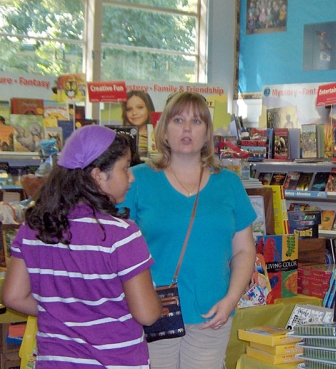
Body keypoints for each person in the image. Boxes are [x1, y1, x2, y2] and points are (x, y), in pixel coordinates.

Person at [1, 125, 161, 367]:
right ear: (97, 174)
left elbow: (13, 296)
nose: (131, 177)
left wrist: (64, 311)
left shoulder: (33, 228)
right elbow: (147, 314)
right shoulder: (122, 235)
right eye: (125, 168)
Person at [119, 91, 257, 369]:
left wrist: (231, 299)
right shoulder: (136, 180)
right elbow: (118, 249)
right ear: (164, 131)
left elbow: (244, 250)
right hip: (152, 310)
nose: (186, 128)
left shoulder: (229, 183)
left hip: (212, 311)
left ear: (207, 133)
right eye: (178, 120)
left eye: (196, 121)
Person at [122, 90, 156, 156]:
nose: (134, 113)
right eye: (129, 109)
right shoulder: (121, 137)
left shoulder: (160, 136)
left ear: (148, 108)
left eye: (140, 107)